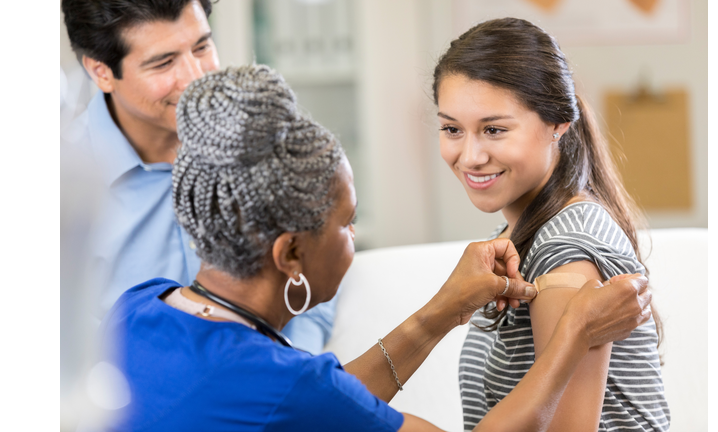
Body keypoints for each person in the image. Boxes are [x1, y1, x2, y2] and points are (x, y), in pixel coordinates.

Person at [98, 64, 653, 432]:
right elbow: (313, 400)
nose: (354, 240)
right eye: (347, 223)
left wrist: (444, 310)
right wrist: (575, 333)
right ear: (290, 255)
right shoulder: (285, 386)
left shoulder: (140, 305)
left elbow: (326, 403)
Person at [431, 18, 671, 431]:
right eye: (452, 129)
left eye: (494, 129)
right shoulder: (516, 238)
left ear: (558, 123)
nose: (469, 156)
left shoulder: (567, 247)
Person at [60, 0, 335, 353]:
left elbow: (317, 262)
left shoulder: (256, 135)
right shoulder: (65, 188)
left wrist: (295, 361)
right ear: (101, 72)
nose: (196, 77)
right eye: (164, 62)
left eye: (202, 46)